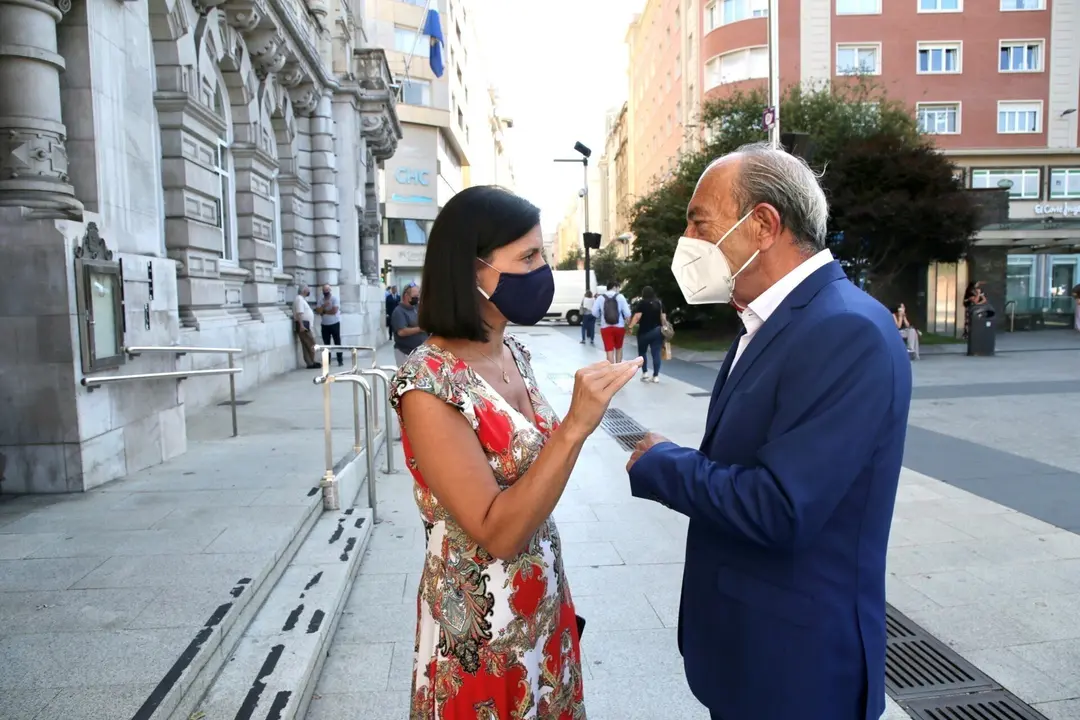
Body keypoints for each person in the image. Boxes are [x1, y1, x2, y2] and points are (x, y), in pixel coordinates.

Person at [625, 142, 912, 720]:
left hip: (797, 671)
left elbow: (780, 506)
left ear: (761, 224)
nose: (688, 239)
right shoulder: (766, 319)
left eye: (699, 221)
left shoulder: (845, 330)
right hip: (749, 652)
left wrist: (660, 461)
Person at [389, 185, 641, 719]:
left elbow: (536, 475)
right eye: (527, 257)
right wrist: (574, 425)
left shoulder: (514, 353)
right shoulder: (428, 385)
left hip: (542, 606)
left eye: (542, 254)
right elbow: (498, 532)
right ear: (472, 271)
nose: (542, 270)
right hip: (480, 633)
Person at [627, 285, 667, 383]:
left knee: (642, 353)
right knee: (656, 353)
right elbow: (663, 318)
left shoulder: (642, 303)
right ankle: (656, 376)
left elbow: (637, 317)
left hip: (644, 332)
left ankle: (645, 373)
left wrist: (630, 327)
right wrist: (664, 328)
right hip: (657, 331)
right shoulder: (659, 303)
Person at [593, 280, 631, 363]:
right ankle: (618, 368)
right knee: (619, 348)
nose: (618, 290)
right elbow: (627, 313)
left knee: (609, 350)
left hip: (605, 327)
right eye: (618, 288)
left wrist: (601, 315)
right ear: (615, 287)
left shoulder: (600, 298)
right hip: (619, 327)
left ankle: (611, 370)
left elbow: (594, 313)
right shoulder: (620, 297)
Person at [390, 284, 427, 365]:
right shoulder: (399, 312)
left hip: (420, 353)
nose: (417, 298)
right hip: (405, 353)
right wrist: (421, 328)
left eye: (418, 296)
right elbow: (401, 332)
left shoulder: (417, 308)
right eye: (415, 296)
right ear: (406, 296)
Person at [292, 284, 320, 369]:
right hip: (304, 325)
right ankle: (311, 361)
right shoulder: (299, 299)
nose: (309, 291)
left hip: (305, 325)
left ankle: (310, 362)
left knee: (306, 344)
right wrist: (301, 325)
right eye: (308, 290)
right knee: (311, 343)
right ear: (304, 291)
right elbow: (299, 313)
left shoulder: (301, 299)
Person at [315, 283, 343, 366]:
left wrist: (324, 311)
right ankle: (328, 361)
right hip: (324, 325)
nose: (326, 292)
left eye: (327, 290)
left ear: (330, 291)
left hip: (334, 323)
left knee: (337, 342)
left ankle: (340, 360)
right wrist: (323, 306)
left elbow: (334, 311)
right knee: (326, 344)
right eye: (324, 290)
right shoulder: (321, 300)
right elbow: (318, 311)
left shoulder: (334, 299)